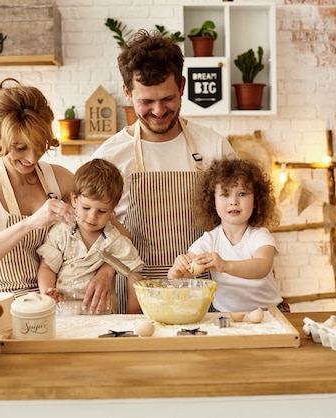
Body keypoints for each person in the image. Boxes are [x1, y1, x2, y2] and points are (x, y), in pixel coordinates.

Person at [91, 30, 236, 312]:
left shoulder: (214, 147)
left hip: (204, 293)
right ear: (127, 93)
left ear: (182, 86)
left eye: (167, 98)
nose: (158, 110)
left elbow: (243, 224)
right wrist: (105, 268)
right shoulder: (108, 157)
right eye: (146, 101)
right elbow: (89, 227)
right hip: (135, 295)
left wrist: (263, 282)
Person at [0, 78, 118, 313]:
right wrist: (31, 223)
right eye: (20, 148)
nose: (32, 159)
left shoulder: (59, 179)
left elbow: (115, 230)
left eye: (39, 145)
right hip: (3, 308)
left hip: (56, 307)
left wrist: (107, 269)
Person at [168, 157, 288, 313]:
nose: (234, 201)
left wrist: (224, 265)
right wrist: (176, 273)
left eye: (242, 193)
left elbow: (262, 266)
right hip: (225, 316)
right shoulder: (209, 240)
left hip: (269, 312)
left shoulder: (260, 236)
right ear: (213, 202)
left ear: (256, 200)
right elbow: (184, 276)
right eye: (225, 194)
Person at [36, 158, 144, 314]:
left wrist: (132, 314)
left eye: (101, 211)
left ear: (112, 209)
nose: (92, 217)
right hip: (63, 317)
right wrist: (47, 293)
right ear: (74, 199)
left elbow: (134, 275)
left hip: (102, 319)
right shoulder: (62, 233)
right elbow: (47, 268)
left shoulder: (115, 241)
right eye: (86, 208)